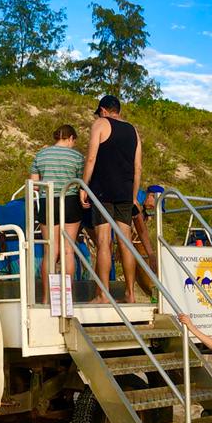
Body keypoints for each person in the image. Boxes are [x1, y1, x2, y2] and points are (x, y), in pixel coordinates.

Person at [80, 94, 143, 303]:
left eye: (99, 112)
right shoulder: (133, 130)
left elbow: (91, 158)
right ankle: (130, 294)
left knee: (104, 242)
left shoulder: (100, 124)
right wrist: (133, 196)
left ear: (104, 110)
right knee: (125, 243)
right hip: (125, 192)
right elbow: (138, 167)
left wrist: (84, 186)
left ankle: (103, 294)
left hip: (102, 191)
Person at [30, 123, 85, 302]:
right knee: (68, 251)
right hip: (69, 201)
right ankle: (66, 298)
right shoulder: (77, 156)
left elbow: (35, 184)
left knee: (50, 252)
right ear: (70, 138)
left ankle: (47, 298)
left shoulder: (41, 154)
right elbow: (81, 182)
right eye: (73, 141)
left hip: (48, 201)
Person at [130, 184, 164, 273]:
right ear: (151, 195)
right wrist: (151, 255)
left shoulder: (139, 197)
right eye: (155, 204)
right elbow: (141, 229)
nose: (154, 208)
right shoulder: (137, 199)